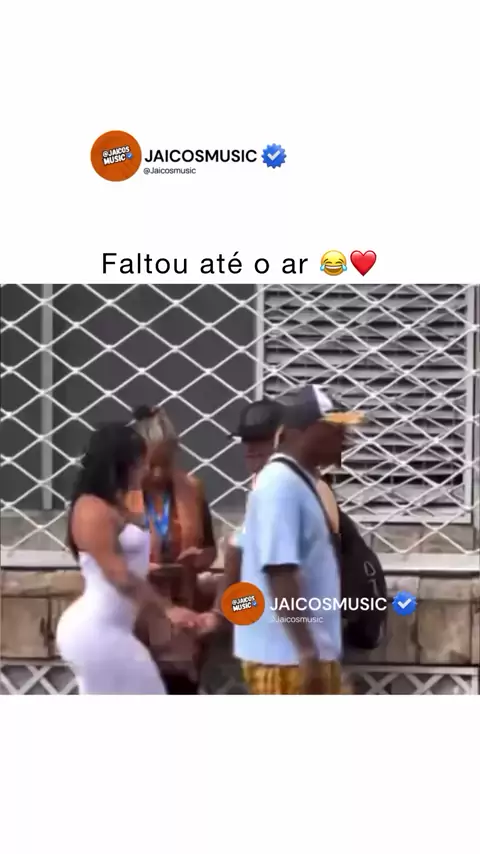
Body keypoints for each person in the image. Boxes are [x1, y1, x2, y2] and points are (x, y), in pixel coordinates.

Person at [234, 385, 364, 694]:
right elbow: (279, 571)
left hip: (301, 655)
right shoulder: (280, 485)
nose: (345, 439)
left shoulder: (296, 481)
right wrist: (306, 651)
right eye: (336, 429)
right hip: (287, 661)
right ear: (306, 431)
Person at [56, 423, 195, 694]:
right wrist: (167, 610)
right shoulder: (91, 508)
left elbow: (133, 572)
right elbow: (120, 576)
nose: (145, 470)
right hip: (95, 631)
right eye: (141, 463)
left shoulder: (115, 507)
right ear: (121, 464)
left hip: (115, 629)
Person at [125, 405, 217, 694]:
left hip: (184, 607)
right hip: (137, 611)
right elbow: (104, 559)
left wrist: (199, 559)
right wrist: (142, 568)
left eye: (166, 463)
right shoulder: (119, 495)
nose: (159, 473)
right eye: (151, 464)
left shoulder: (193, 488)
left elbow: (210, 550)